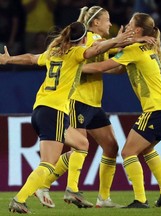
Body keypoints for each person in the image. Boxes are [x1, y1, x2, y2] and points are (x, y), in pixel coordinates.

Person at [0, 21, 132, 213]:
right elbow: (94, 51)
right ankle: (20, 199)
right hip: (55, 112)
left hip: (39, 110)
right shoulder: (75, 54)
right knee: (47, 163)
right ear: (84, 39)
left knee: (82, 144)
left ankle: (62, 189)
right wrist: (117, 40)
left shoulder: (54, 53)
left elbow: (30, 58)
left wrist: (8, 60)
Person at [82, 12, 161, 208]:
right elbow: (118, 69)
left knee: (128, 153)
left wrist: (73, 69)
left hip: (156, 109)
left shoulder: (134, 49)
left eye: (128, 24)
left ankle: (140, 199)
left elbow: (101, 67)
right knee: (147, 149)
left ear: (137, 30)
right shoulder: (150, 46)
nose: (124, 27)